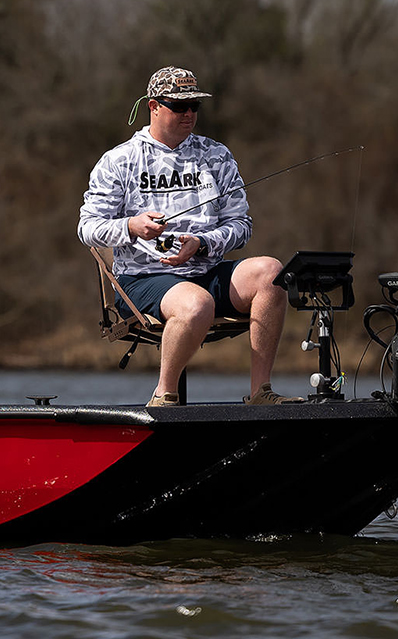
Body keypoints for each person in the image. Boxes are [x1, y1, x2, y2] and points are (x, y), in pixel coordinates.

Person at [77, 66, 301, 406]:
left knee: (271, 271)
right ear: (153, 106)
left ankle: (260, 392)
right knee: (197, 304)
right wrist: (132, 226)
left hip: (206, 269)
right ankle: (163, 396)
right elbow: (88, 227)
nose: (189, 114)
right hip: (143, 279)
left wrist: (204, 243)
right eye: (179, 106)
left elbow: (241, 225)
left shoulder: (217, 155)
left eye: (195, 106)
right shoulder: (119, 161)